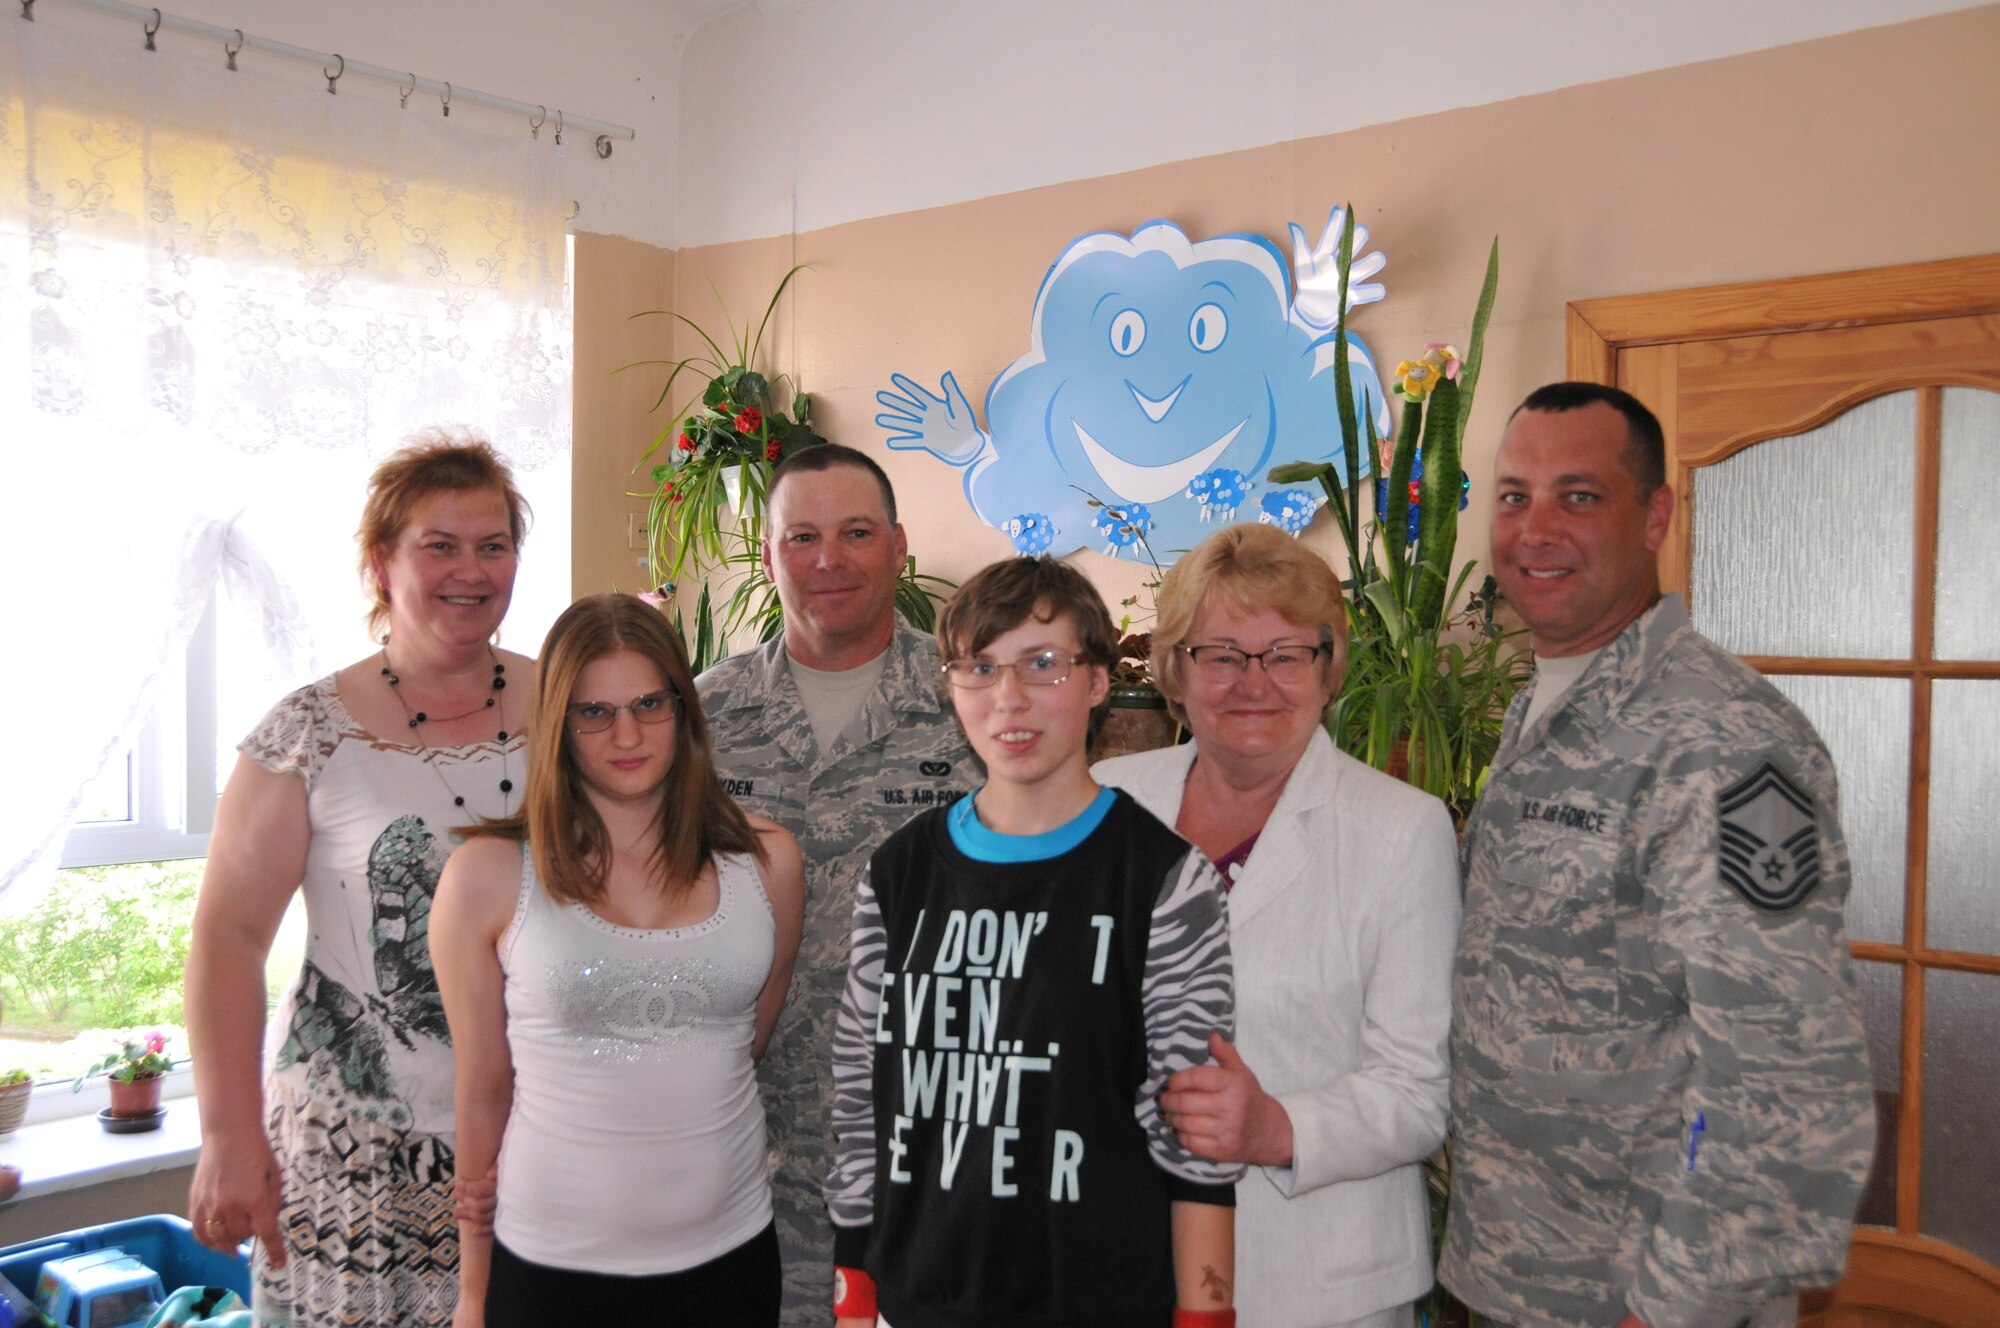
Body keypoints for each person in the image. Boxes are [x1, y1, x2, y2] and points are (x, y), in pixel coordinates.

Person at [1438, 383, 1876, 1328]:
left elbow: (1783, 1072)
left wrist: (1674, 1309)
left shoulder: (1727, 744)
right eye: (1514, 496)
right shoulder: (1546, 707)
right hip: (1521, 1274)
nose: (1536, 528)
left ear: (1656, 516)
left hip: (1640, 1299)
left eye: (1579, 496)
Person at [825, 555, 1242, 1328]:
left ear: (1097, 682)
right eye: (980, 668)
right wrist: (854, 1300)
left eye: (1042, 664)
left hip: (1097, 1303)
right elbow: (862, 1105)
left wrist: (1206, 1316)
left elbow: (1197, 1141)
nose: (1008, 699)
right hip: (917, 1302)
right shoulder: (899, 872)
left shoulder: (1162, 880)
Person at [184, 429, 534, 1327]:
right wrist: (227, 1133)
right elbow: (227, 937)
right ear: (382, 563)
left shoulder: (576, 706)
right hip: (349, 1161)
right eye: (439, 545)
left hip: (535, 1143)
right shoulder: (305, 732)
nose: (471, 569)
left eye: (492, 545)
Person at [1096, 522, 1459, 1328]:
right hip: (1125, 1262)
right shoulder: (1106, 801)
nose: (1252, 681)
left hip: (1319, 1285)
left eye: (1286, 653)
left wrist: (1277, 1127)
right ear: (1175, 674)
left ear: (1328, 672)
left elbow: (1418, 1092)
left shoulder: (1404, 830)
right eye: (1220, 653)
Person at [430, 593, 805, 1327]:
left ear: (683, 710)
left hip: (728, 1260)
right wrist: (473, 1296)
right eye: (594, 712)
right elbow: (481, 1093)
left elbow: (745, 1043)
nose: (626, 734)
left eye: (649, 704)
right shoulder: (486, 877)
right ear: (558, 726)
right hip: (550, 1268)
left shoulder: (768, 863)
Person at [697, 443, 980, 1321]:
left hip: (922, 1159)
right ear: (770, 554)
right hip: (738, 1159)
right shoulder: (702, 717)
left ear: (899, 546)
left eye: (856, 533)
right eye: (802, 537)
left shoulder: (974, 704)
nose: (829, 560)